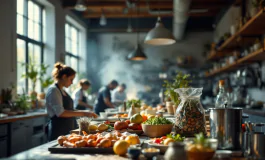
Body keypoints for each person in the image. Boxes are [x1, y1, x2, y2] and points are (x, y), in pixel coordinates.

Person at [45, 62, 97, 141]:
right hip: (58, 130)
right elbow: (61, 113)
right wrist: (84, 113)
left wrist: (86, 112)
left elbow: (70, 109)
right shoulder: (53, 90)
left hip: (66, 128)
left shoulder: (62, 90)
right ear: (64, 76)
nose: (72, 82)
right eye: (71, 79)